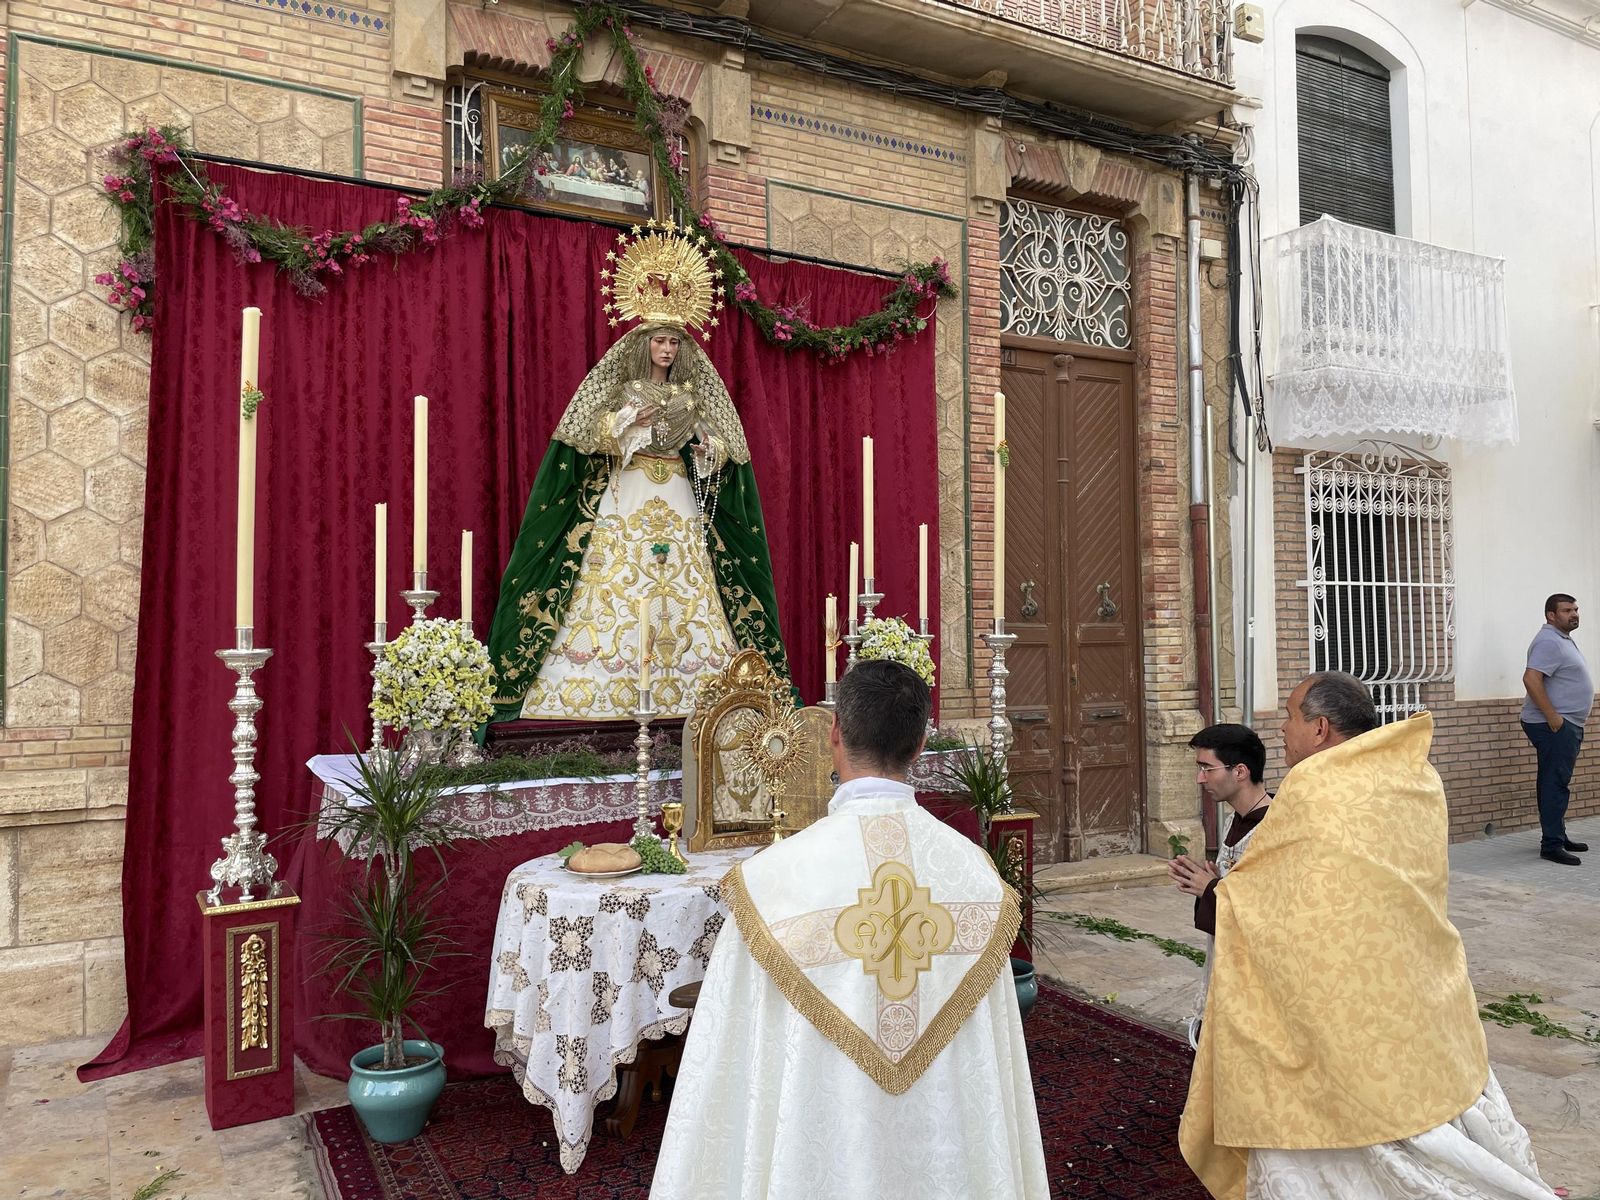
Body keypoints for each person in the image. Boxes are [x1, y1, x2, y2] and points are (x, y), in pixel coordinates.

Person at [649, 660, 1049, 1199]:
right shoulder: (975, 875)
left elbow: (727, 1067)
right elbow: (992, 1063)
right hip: (945, 1154)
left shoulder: (771, 885)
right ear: (921, 743)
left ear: (834, 733)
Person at [1180, 672, 1556, 1200]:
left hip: (1345, 994)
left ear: (1320, 729)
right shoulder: (1412, 774)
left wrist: (1221, 893)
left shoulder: (1314, 787)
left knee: (1350, 1110)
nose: (1282, 730)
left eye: (1290, 716)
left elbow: (1277, 900)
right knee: (1425, 1093)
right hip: (1417, 970)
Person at [484, 225, 788, 724]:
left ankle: (696, 687)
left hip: (678, 494)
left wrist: (707, 446)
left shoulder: (690, 397)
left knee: (692, 583)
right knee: (614, 579)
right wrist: (630, 425)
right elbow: (598, 435)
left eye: (673, 343)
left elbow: (719, 447)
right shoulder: (624, 389)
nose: (667, 350)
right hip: (628, 491)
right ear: (645, 344)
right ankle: (598, 685)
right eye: (660, 341)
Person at [1166, 722, 1270, 1048]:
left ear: (1240, 771)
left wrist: (1211, 889)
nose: (1200, 779)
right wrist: (1213, 882)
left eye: (1206, 768)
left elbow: (1266, 908)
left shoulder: (1274, 828)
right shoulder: (1231, 821)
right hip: (1225, 959)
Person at [1521, 593, 1592, 865]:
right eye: (1566, 610)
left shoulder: (1561, 639)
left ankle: (1557, 835)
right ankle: (1551, 845)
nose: (1573, 614)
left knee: (1553, 781)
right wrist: (1553, 717)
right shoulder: (1549, 641)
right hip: (1553, 725)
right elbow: (1531, 678)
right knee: (1555, 783)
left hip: (1563, 724)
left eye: (1575, 609)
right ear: (1551, 615)